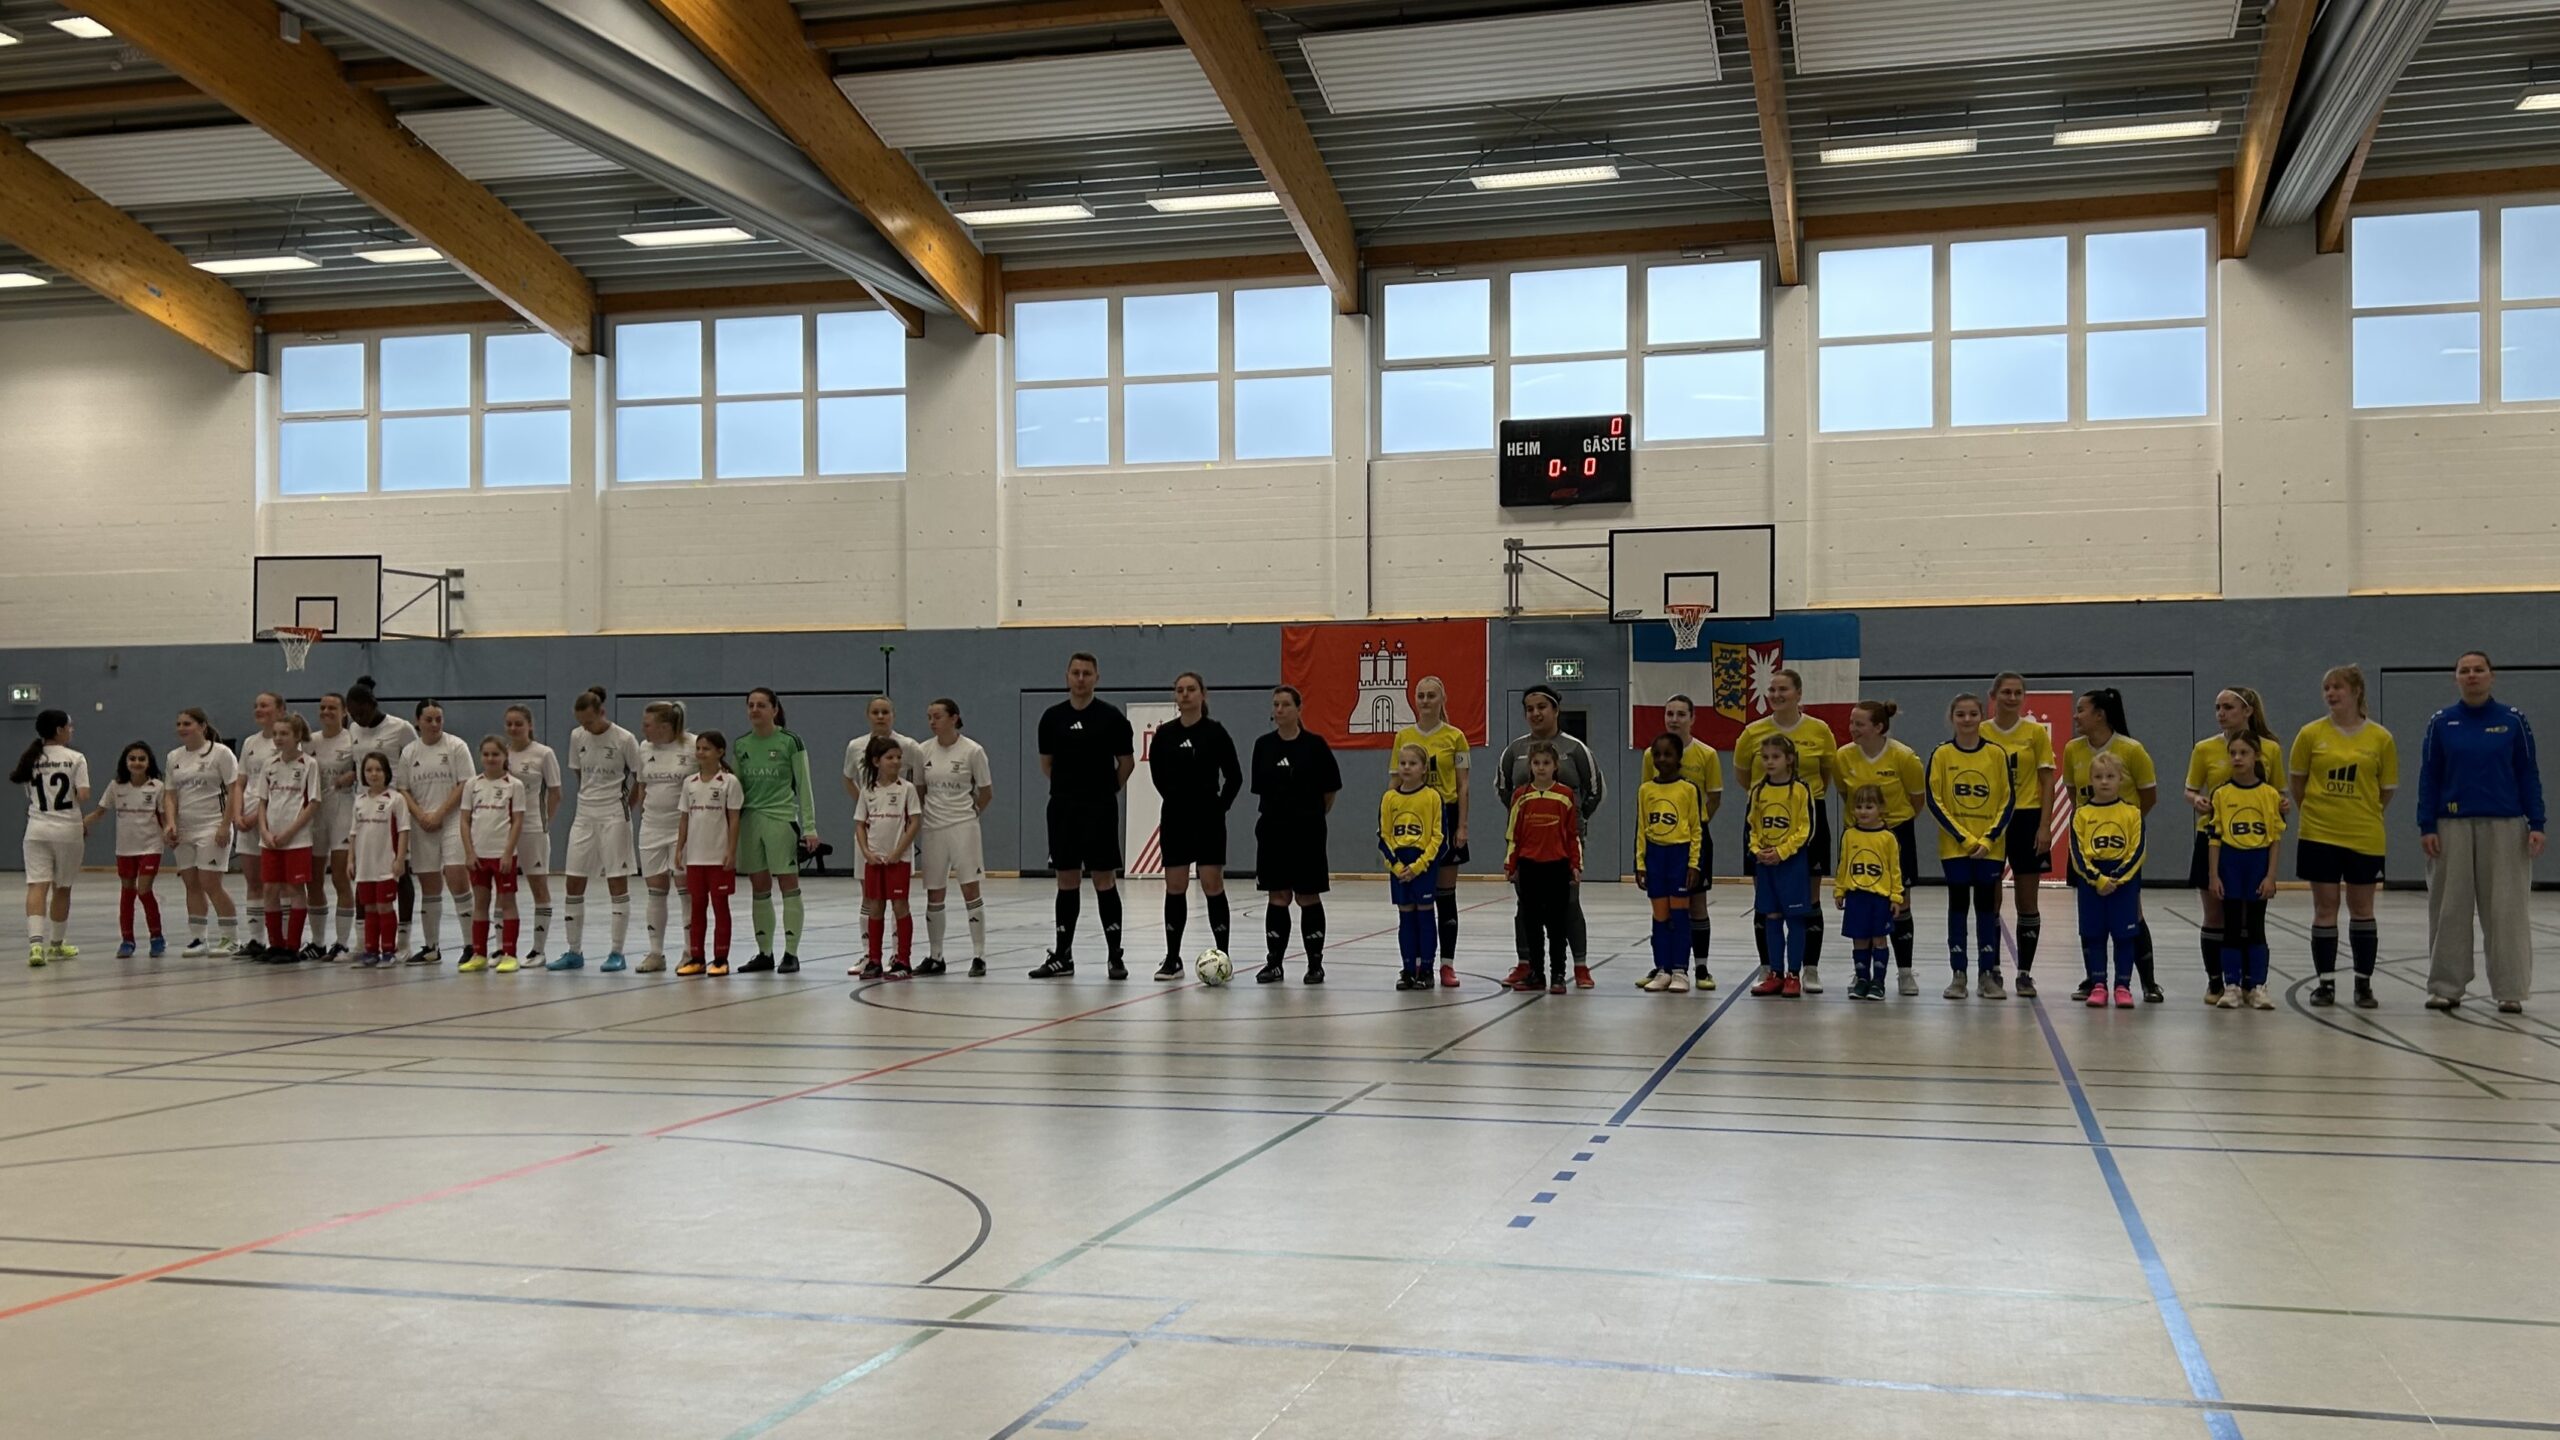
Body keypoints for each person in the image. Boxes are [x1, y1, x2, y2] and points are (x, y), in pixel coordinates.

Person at [2418, 651, 2545, 1013]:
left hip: (2505, 826)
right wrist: (2427, 824)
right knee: (2449, 909)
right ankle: (2446, 986)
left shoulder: (2513, 721)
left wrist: (2536, 822)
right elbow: (2430, 776)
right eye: (2465, 671)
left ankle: (2510, 989)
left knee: (2506, 910)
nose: (2472, 676)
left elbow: (2527, 773)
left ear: (2492, 676)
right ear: (2455, 678)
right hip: (2450, 825)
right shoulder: (2441, 723)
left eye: (2479, 670)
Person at [2288, 666, 2398, 1009]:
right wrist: (2319, 811)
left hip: (2364, 834)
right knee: (2325, 908)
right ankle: (2326, 984)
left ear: (2356, 692)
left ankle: (2363, 984)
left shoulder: (2380, 738)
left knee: (2362, 908)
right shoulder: (2310, 734)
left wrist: (2361, 811)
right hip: (2320, 833)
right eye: (2326, 688)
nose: (2331, 693)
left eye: (2338, 687)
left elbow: (2386, 790)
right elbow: (2298, 784)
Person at [1032, 654, 1136, 980]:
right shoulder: (1052, 718)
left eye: (1086, 673)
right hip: (1063, 808)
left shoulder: (1111, 718)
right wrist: (1070, 791)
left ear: (1096, 677)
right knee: (1067, 880)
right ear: (1067, 676)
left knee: (1104, 880)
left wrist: (1104, 792)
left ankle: (1114, 956)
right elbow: (1046, 764)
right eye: (1075, 672)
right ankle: (1063, 956)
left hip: (1101, 808)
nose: (1080, 678)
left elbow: (1126, 763)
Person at [1494, 687, 1603, 987]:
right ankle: (1526, 964)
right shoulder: (1514, 751)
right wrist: (1529, 820)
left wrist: (1573, 822)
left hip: (1564, 845)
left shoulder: (1576, 749)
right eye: (1529, 708)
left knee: (1567, 904)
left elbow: (1594, 791)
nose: (1536, 713)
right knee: (1525, 907)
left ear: (1555, 710)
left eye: (1542, 706)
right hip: (1528, 846)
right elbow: (1505, 791)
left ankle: (1578, 965)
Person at [1735, 669, 1839, 984]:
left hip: (1808, 816)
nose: (1777, 695)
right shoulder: (1752, 732)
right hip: (1765, 816)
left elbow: (1826, 773)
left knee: (1809, 896)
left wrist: (1799, 798)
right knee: (1765, 897)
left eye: (1784, 689)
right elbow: (1742, 774)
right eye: (1773, 690)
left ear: (1798, 693)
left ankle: (1808, 968)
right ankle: (1769, 968)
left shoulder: (1820, 730)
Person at [2063, 688, 2163, 1003]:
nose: (2076, 716)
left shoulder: (2132, 750)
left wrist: (2122, 821)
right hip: (2087, 844)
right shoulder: (2072, 750)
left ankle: (2145, 981)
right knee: (2091, 916)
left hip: (2122, 848)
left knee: (2131, 913)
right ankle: (2095, 981)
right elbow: (2072, 794)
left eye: (2081, 710)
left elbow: (2148, 797)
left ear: (2100, 715)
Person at [2184, 687, 2283, 1005]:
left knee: (2249, 919)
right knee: (2215, 915)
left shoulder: (2270, 749)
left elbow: (2278, 793)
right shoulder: (2204, 748)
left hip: (2251, 843)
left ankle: (2251, 983)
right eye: (2217, 707)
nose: (2221, 713)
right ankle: (2218, 983)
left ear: (2248, 711)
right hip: (2213, 838)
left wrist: (2281, 806)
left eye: (2228, 707)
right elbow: (2190, 789)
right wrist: (2197, 800)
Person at [1150, 673, 1242, 980]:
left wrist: (1219, 806)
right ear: (1175, 697)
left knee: (1211, 884)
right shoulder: (1164, 735)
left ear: (1203, 694)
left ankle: (1223, 957)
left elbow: (1234, 776)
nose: (1185, 695)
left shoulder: (1215, 733)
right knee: (1175, 886)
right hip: (1176, 818)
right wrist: (1177, 801)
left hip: (1208, 819)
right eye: (1180, 690)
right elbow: (1158, 776)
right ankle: (1172, 958)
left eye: (1191, 689)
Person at [1927, 694, 2016, 1000]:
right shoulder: (1941, 755)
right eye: (1961, 714)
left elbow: (2007, 800)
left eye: (1973, 714)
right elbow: (1934, 801)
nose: (1967, 720)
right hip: (1955, 849)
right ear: (1952, 718)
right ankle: (1958, 974)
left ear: (1982, 717)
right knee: (1958, 907)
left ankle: (1987, 974)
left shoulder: (1996, 754)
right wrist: (1964, 838)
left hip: (1990, 848)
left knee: (1986, 910)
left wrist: (1988, 838)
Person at [1833, 700, 1925, 993]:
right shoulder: (1843, 757)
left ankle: (1905, 972)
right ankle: (1863, 975)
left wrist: (1888, 826)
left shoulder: (1904, 757)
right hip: (1857, 834)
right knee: (1861, 900)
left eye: (1859, 724)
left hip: (1895, 832)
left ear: (1878, 727)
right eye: (1851, 723)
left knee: (1899, 902)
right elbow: (1846, 794)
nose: (1852, 729)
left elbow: (1916, 799)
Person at [1252, 685, 1341, 985]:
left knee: (1307, 895)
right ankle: (1274, 963)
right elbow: (1261, 790)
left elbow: (1330, 791)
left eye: (1285, 705)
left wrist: (1311, 816)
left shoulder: (1315, 746)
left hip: (1308, 832)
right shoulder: (1263, 746)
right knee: (1278, 896)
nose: (1279, 710)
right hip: (1273, 832)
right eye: (1275, 705)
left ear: (1298, 709)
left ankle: (1315, 964)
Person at [556, 688, 644, 973]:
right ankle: (573, 951)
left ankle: (617, 952)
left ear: (602, 713)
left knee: (617, 881)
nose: (586, 727)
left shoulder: (624, 739)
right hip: (584, 815)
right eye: (581, 722)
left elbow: (638, 777)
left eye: (590, 722)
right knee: (573, 882)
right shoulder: (576, 736)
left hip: (613, 815)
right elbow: (579, 774)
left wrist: (623, 808)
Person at [1394, 675, 1472, 988]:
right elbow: (1393, 782)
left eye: (1431, 696)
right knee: (1414, 898)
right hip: (1413, 818)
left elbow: (1464, 784)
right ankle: (1415, 964)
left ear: (1442, 700)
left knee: (1444, 896)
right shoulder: (1404, 736)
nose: (1425, 701)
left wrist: (1462, 825)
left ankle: (1446, 964)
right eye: (1421, 696)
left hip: (1446, 814)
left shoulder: (1456, 737)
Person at [733, 688, 818, 974]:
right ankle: (764, 953)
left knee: (788, 885)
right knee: (759, 887)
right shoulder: (741, 745)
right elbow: (735, 791)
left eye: (761, 705)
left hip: (780, 819)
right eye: (751, 705)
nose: (755, 710)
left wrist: (809, 827)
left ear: (774, 709)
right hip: (750, 821)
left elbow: (804, 785)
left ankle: (791, 953)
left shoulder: (790, 741)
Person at [1983, 675, 2058, 990]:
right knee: (1991, 900)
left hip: (2026, 818)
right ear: (1994, 696)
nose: (2012, 697)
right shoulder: (1982, 730)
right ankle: (1993, 969)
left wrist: (2045, 826)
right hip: (1990, 820)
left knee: (2027, 901)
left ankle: (2024, 972)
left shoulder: (2034, 733)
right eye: (2006, 692)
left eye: (2017, 693)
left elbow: (2047, 781)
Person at [915, 698, 995, 978]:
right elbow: (920, 790)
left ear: (954, 718)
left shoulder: (973, 751)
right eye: (929, 717)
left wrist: (970, 813)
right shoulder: (922, 751)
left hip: (963, 826)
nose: (932, 721)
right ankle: (936, 956)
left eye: (937, 716)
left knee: (970, 889)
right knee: (934, 892)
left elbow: (985, 792)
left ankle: (979, 955)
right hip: (934, 829)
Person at [2207, 732, 2286, 1010]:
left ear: (2256, 757)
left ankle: (2258, 986)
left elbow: (2275, 838)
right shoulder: (2221, 794)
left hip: (2257, 863)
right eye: (2233, 753)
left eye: (2244, 753)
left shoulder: (2269, 795)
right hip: (2230, 863)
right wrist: (2214, 875)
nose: (2237, 758)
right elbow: (2214, 838)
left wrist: (2271, 876)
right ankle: (2231, 986)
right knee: (2230, 926)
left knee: (2255, 926)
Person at [342, 678, 420, 954]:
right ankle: (364, 940)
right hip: (364, 806)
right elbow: (357, 763)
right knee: (364, 872)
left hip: (394, 806)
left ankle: (403, 939)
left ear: (373, 705)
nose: (358, 719)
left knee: (400, 872)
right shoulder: (353, 729)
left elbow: (415, 762)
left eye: (361, 713)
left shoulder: (401, 729)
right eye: (352, 715)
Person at [397, 700, 473, 966]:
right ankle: (431, 947)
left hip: (451, 821)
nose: (434, 724)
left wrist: (440, 814)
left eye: (438, 719)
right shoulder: (409, 752)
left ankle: (471, 945)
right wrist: (420, 815)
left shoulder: (456, 746)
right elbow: (403, 788)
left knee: (457, 878)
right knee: (429, 884)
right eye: (428, 719)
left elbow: (465, 783)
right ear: (417, 720)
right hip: (422, 823)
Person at [1504, 740, 1582, 996]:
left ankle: (1558, 974)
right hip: (1529, 867)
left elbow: (1572, 834)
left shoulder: (1565, 795)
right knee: (1532, 924)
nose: (1541, 768)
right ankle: (1536, 973)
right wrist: (1510, 863)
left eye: (1546, 763)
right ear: (1530, 766)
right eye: (1536, 763)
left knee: (1557, 925)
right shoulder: (1521, 796)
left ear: (1555, 766)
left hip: (1557, 866)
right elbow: (1513, 833)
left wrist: (1575, 864)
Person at [1657, 696, 1724, 990]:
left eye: (1681, 714)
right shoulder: (1653, 755)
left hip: (1694, 838)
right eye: (1669, 713)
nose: (1674, 719)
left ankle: (1701, 967)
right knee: (1665, 905)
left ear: (1692, 718)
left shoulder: (1707, 754)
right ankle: (1666, 964)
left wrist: (1693, 825)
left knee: (1696, 903)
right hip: (1662, 842)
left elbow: (1714, 796)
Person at [2072, 754, 2147, 1010]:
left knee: (2124, 936)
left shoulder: (2132, 813)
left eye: (2110, 777)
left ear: (2121, 779)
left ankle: (2123, 987)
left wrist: (2117, 877)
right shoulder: (2081, 814)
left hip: (2123, 882)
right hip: (2092, 883)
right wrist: (2097, 879)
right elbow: (2078, 854)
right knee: (2094, 935)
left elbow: (2137, 850)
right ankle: (2099, 985)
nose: (2104, 782)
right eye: (2098, 777)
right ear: (2090, 780)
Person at [842, 695, 927, 918]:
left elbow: (919, 784)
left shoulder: (909, 746)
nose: (880, 717)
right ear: (868, 716)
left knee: (897, 897)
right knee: (869, 893)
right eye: (875, 712)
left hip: (897, 830)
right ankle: (868, 950)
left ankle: (898, 951)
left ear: (893, 715)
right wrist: (867, 805)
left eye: (885, 712)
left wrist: (908, 814)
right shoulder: (856, 746)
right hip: (870, 830)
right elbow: (848, 778)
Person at [1746, 736, 1816, 998]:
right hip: (1766, 865)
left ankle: (1793, 975)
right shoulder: (1758, 791)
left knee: (1794, 919)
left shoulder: (1800, 790)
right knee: (1771, 918)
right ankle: (1775, 973)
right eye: (1765, 757)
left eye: (1775, 757)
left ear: (1789, 759)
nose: (1769, 762)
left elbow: (1805, 829)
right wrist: (1758, 851)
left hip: (1792, 864)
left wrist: (1781, 852)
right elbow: (1752, 826)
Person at [16, 710, 87, 966]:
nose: (72, 730)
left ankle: (36, 946)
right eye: (70, 726)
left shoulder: (31, 760)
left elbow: (31, 794)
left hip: (36, 829)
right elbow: (83, 794)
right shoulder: (75, 758)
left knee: (36, 886)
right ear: (59, 730)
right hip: (67, 830)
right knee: (62, 887)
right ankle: (56, 945)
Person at [1635, 733, 1704, 994]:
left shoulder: (1688, 789)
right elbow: (1641, 828)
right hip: (1655, 857)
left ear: (1679, 758)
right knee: (1660, 916)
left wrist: (1693, 864)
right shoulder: (1645, 790)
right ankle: (1662, 969)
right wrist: (1640, 863)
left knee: (1680, 914)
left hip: (1679, 855)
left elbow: (1696, 829)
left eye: (1668, 754)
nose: (1662, 759)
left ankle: (1680, 970)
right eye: (1658, 754)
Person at [88, 741, 172, 958]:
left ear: (149, 762)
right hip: (125, 849)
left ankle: (156, 937)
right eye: (132, 758)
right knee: (127, 892)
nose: (136, 762)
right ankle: (127, 940)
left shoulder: (157, 787)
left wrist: (170, 833)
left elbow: (164, 817)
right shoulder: (116, 786)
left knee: (144, 890)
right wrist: (80, 825)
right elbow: (99, 811)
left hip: (151, 846)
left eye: (141, 759)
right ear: (125, 762)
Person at [167, 709, 240, 957]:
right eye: (178, 723)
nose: (181, 727)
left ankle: (231, 938)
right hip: (185, 828)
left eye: (187, 723)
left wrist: (224, 825)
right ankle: (198, 938)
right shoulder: (174, 757)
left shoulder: (220, 753)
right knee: (191, 883)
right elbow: (170, 794)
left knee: (210, 882)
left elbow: (233, 790)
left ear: (202, 726)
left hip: (212, 825)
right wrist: (170, 823)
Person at [250, 713, 322, 961]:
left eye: (284, 734)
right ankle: (276, 944)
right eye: (276, 733)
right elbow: (262, 802)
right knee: (270, 888)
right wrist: (264, 831)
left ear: (297, 736)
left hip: (297, 839)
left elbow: (312, 803)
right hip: (270, 840)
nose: (279, 738)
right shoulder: (270, 765)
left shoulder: (308, 764)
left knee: (294, 888)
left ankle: (292, 946)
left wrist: (290, 832)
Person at [855, 735, 924, 980]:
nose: (895, 762)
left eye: (898, 758)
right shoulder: (867, 791)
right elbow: (860, 824)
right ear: (876, 761)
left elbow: (915, 821)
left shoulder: (907, 789)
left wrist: (898, 851)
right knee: (875, 906)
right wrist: (866, 852)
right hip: (874, 859)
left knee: (900, 906)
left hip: (899, 860)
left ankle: (902, 960)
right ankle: (874, 959)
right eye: (889, 758)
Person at [457, 735, 526, 973]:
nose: (490, 759)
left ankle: (510, 954)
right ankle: (479, 954)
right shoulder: (472, 785)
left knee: (507, 903)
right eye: (486, 754)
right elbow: (464, 821)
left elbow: (517, 821)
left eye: (495, 754)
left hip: (502, 855)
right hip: (478, 855)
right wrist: (469, 852)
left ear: (505, 756)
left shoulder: (514, 785)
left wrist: (508, 853)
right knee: (480, 903)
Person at [677, 730, 743, 978]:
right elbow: (684, 819)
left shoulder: (729, 782)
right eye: (698, 748)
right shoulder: (689, 783)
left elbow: (734, 819)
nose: (700, 753)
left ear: (720, 752)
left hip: (718, 857)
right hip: (695, 856)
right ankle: (696, 958)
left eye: (706, 748)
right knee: (696, 907)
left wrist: (731, 851)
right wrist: (679, 848)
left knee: (720, 906)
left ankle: (721, 958)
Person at [635, 701, 693, 975]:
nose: (642, 728)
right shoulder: (644, 749)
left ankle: (690, 951)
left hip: (683, 829)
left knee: (686, 893)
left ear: (665, 726)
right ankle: (656, 952)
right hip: (651, 828)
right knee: (656, 891)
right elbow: (642, 786)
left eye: (647, 724)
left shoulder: (692, 746)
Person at [1380, 743, 1444, 991]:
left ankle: (1426, 969)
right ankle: (1408, 969)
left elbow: (1437, 837)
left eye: (1412, 763)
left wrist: (1419, 866)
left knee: (1425, 915)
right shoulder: (1389, 798)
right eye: (1402, 763)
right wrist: (1396, 866)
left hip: (1423, 866)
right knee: (1406, 917)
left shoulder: (1431, 797)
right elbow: (1383, 836)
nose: (1406, 768)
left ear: (1424, 769)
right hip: (1399, 865)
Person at [502, 705, 563, 966]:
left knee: (538, 885)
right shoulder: (501, 754)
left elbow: (556, 793)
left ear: (530, 725)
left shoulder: (543, 754)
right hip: (501, 831)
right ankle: (501, 949)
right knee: (503, 889)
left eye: (519, 724)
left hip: (533, 829)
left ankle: (538, 950)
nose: (514, 729)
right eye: (509, 724)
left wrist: (543, 822)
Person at [1836, 784, 1906, 1002]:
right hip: (1856, 897)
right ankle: (1862, 979)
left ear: (1881, 808)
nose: (1863, 811)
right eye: (1858, 807)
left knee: (1879, 939)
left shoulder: (1888, 838)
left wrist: (1896, 897)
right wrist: (1840, 890)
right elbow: (1843, 864)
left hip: (1879, 898)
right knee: (1859, 940)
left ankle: (1879, 982)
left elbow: (1895, 869)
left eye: (1869, 806)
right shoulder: (1849, 835)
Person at [229, 691, 284, 958]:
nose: (259, 709)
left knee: (276, 883)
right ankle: (255, 940)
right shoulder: (250, 742)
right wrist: (237, 814)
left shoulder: (285, 742)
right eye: (256, 705)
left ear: (280, 710)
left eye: (265, 705)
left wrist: (254, 818)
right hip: (245, 822)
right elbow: (240, 782)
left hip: (270, 821)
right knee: (252, 882)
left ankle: (280, 940)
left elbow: (282, 787)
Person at [347, 752, 409, 967]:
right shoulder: (359, 801)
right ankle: (371, 951)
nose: (373, 774)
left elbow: (403, 831)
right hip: (365, 865)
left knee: (384, 907)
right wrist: (350, 860)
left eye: (378, 770)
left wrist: (400, 859)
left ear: (387, 773)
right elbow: (354, 834)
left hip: (386, 864)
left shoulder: (395, 799)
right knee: (370, 908)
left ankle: (389, 951)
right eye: (369, 770)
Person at [307, 693, 356, 962]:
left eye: (332, 707)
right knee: (312, 879)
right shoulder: (310, 741)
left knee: (340, 877)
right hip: (315, 815)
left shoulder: (352, 740)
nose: (326, 711)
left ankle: (343, 942)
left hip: (342, 812)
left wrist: (354, 774)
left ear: (344, 711)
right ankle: (317, 942)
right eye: (322, 707)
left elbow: (370, 765)